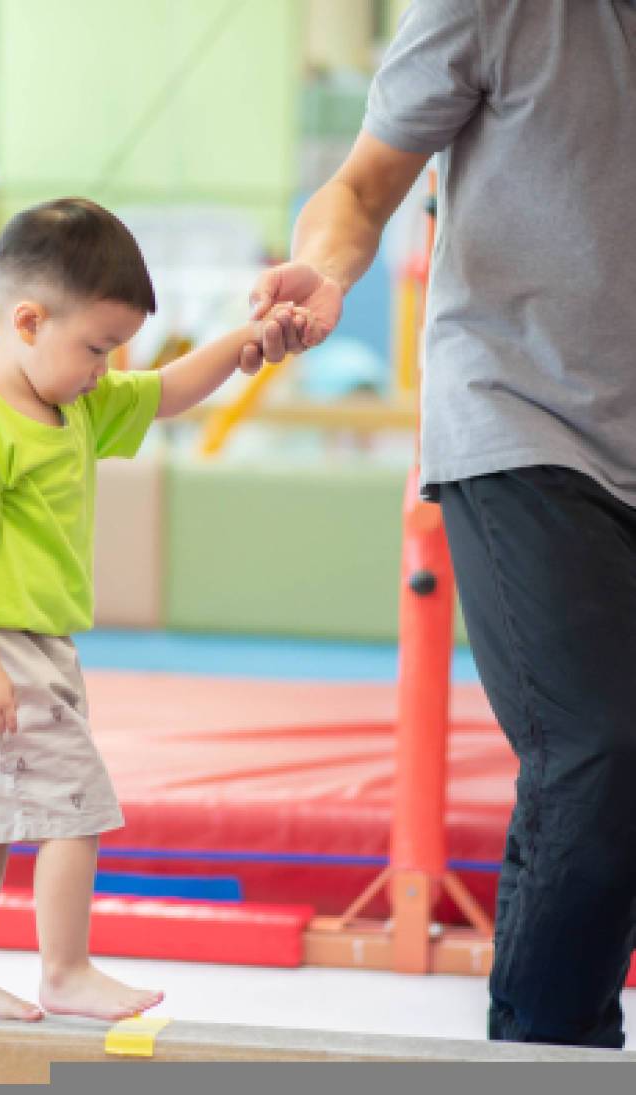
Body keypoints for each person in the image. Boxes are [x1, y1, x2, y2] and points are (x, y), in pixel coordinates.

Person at [240, 0, 636, 1048]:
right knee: (598, 746)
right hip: (520, 416)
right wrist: (325, 271)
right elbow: (362, 186)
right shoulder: (490, 9)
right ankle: (547, 1052)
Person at [0, 197, 306, 1022]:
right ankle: (65, 969)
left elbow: (168, 391)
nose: (104, 367)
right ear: (28, 321)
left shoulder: (74, 402)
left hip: (32, 645)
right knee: (73, 807)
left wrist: (244, 343)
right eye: (95, 347)